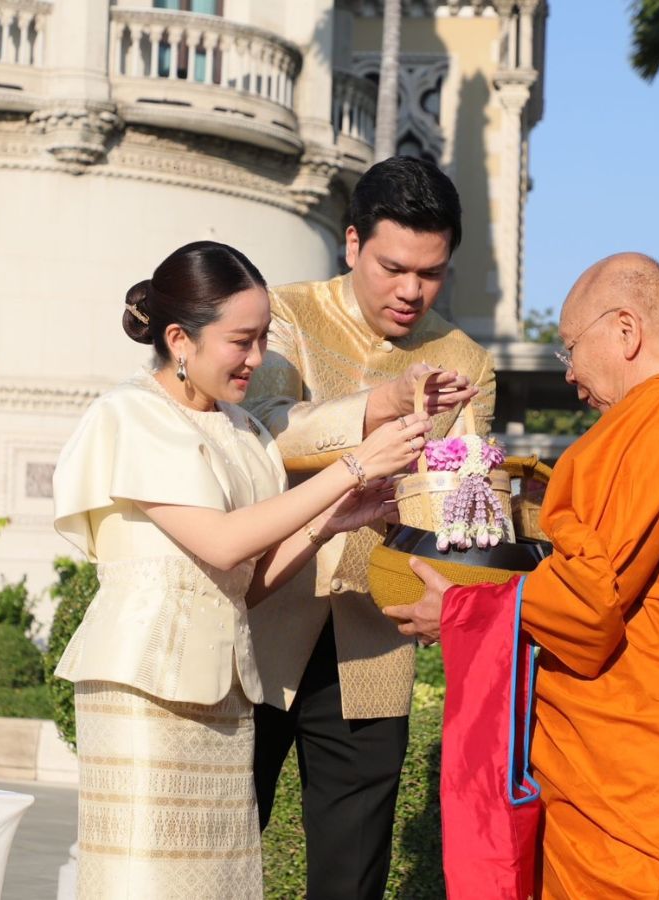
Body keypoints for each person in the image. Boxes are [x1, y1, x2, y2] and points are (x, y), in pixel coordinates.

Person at [387, 253, 659, 898]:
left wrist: (460, 607)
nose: (573, 375)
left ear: (626, 330)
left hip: (656, 776)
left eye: (571, 349)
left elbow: (588, 604)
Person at [51, 241, 430, 898]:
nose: (257, 359)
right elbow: (222, 543)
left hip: (225, 692)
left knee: (219, 884)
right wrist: (356, 465)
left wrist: (332, 519)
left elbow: (244, 582)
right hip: (143, 689)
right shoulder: (131, 413)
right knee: (144, 883)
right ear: (179, 338)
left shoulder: (241, 430)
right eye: (242, 341)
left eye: (261, 340)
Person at [242, 156, 495, 898]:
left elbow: (465, 509)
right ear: (352, 243)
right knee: (220, 857)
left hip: (373, 641)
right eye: (393, 267)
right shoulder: (280, 313)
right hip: (260, 618)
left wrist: (458, 589)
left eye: (433, 272)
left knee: (352, 879)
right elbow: (263, 430)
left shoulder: (464, 360)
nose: (412, 291)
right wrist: (378, 408)